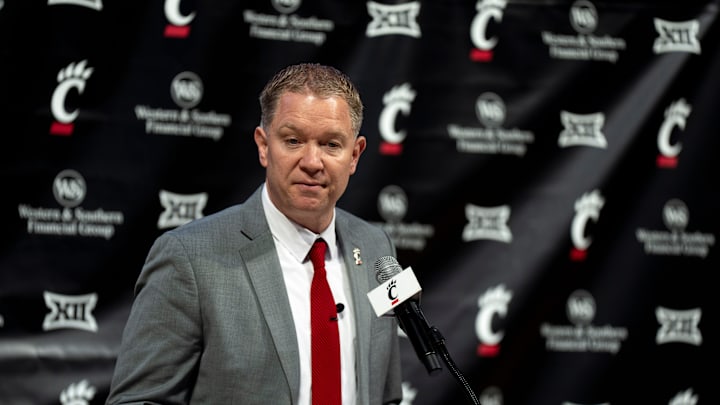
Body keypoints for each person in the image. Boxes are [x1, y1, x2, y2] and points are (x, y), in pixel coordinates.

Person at [105, 63, 403, 405]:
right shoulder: (188, 258)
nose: (311, 161)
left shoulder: (378, 249)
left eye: (331, 144)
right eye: (293, 140)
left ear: (354, 154)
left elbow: (386, 395)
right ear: (263, 146)